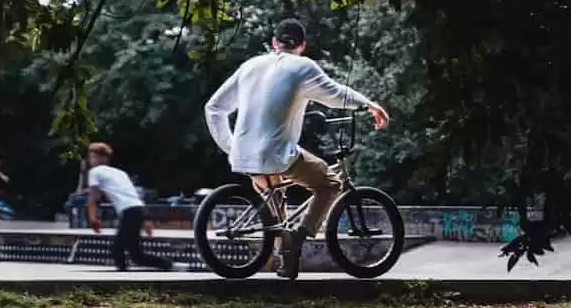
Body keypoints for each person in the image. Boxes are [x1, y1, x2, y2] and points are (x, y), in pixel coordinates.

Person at [203, 18, 389, 279]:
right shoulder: (303, 67)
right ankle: (300, 237)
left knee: (277, 208)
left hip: (244, 157)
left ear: (274, 43)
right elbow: (336, 95)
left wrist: (230, 146)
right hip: (278, 156)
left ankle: (287, 263)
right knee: (330, 184)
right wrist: (368, 104)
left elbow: (214, 108)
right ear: (302, 46)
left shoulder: (250, 66)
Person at [84, 141, 188, 272]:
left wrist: (92, 218)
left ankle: (169, 266)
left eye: (94, 157)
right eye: (90, 157)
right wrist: (146, 218)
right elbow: (132, 195)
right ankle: (169, 266)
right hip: (138, 210)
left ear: (104, 158)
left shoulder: (94, 172)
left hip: (129, 212)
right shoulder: (120, 173)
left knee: (119, 249)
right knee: (132, 253)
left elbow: (93, 198)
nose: (91, 160)